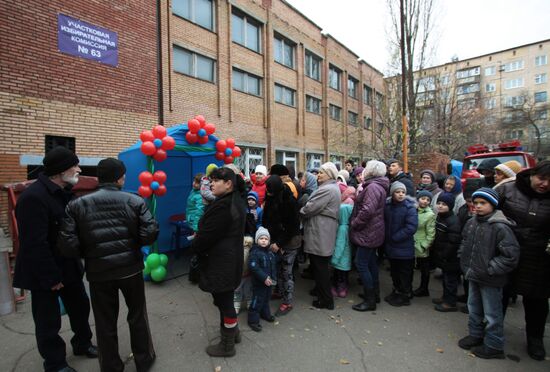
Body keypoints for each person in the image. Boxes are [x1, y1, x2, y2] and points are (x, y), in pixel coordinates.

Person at [59, 158, 158, 372]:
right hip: (130, 269)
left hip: (98, 272)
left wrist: (90, 253)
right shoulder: (134, 201)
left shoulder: (76, 204)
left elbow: (67, 244)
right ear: (120, 177)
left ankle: (111, 366)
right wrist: (134, 243)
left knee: (104, 322)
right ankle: (144, 360)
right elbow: (150, 232)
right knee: (137, 315)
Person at [13, 146, 97, 372]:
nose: (79, 169)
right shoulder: (33, 198)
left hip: (67, 265)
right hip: (44, 271)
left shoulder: (63, 192)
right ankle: (55, 363)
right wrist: (51, 278)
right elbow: (33, 244)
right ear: (61, 171)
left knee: (80, 306)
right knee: (48, 321)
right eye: (75, 166)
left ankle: (82, 344)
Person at [190, 167, 246, 357]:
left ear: (229, 184)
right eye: (210, 180)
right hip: (230, 259)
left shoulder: (223, 206)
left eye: (216, 181)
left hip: (221, 262)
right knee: (226, 300)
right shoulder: (235, 200)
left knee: (224, 302)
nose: (211, 184)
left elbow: (207, 237)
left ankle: (227, 345)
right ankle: (233, 333)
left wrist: (196, 244)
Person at [458, 188, 520, 359]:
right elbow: (464, 242)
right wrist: (463, 260)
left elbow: (510, 256)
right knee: (474, 307)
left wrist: (490, 269)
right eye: (476, 203)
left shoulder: (500, 227)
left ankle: (494, 344)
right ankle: (475, 334)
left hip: (490, 279)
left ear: (493, 205)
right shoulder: (471, 223)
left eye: (483, 203)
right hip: (473, 274)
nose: (477, 206)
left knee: (492, 313)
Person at [498, 160, 550, 360]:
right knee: (499, 293)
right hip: (506, 251)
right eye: (542, 178)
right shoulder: (508, 189)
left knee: (536, 300)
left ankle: (535, 339)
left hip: (539, 257)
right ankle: (492, 330)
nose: (544, 184)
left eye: (549, 181)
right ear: (532, 175)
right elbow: (487, 209)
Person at [350, 160, 389, 311]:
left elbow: (367, 210)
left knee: (362, 264)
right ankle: (374, 294)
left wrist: (355, 223)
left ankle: (370, 300)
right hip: (373, 231)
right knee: (371, 263)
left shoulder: (372, 187)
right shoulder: (378, 185)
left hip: (368, 232)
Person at [301, 162, 341, 310]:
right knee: (319, 265)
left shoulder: (327, 189)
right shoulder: (331, 188)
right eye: (318, 172)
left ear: (330, 175)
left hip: (321, 231)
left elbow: (310, 207)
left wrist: (303, 209)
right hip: (323, 229)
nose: (318, 175)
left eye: (321, 173)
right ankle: (320, 292)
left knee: (320, 267)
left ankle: (325, 300)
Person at [262, 176, 301, 316]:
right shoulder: (272, 197)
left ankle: (287, 302)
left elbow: (292, 227)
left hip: (289, 241)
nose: (268, 191)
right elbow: (267, 219)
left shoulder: (289, 201)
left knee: (286, 272)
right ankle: (279, 291)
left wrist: (279, 244)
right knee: (278, 269)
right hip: (276, 239)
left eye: (270, 189)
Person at [384, 181, 418, 306]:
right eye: (397, 192)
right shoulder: (388, 206)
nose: (401, 194)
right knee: (394, 271)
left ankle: (405, 295)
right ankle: (397, 291)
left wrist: (395, 237)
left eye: (403, 192)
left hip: (404, 247)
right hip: (391, 246)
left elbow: (411, 227)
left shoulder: (410, 208)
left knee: (405, 273)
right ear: (392, 194)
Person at [432, 192, 462, 312]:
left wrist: (444, 254)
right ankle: (445, 297)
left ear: (450, 206)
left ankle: (450, 303)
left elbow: (453, 242)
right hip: (443, 255)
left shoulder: (453, 221)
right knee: (445, 279)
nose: (440, 206)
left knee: (450, 281)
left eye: (444, 204)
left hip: (451, 257)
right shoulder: (440, 216)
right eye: (438, 203)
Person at [247, 227, 277, 332]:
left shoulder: (270, 253)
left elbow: (273, 266)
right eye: (261, 238)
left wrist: (273, 279)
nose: (264, 240)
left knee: (266, 299)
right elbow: (254, 267)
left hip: (269, 283)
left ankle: (265, 314)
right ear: (257, 240)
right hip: (259, 283)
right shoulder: (255, 253)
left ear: (269, 241)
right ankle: (253, 320)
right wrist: (264, 277)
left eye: (266, 239)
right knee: (257, 300)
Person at [330, 182, 355, 298]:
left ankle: (339, 288)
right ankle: (343, 287)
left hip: (339, 260)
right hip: (347, 260)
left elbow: (340, 245)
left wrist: (334, 259)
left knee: (339, 276)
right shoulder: (349, 227)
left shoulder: (342, 228)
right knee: (344, 276)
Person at [413, 190, 436, 297]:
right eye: (423, 198)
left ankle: (424, 288)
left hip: (421, 245)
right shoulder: (413, 210)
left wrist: (424, 246)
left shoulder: (430, 214)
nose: (425, 201)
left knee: (424, 269)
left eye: (428, 200)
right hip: (412, 243)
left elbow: (431, 233)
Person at [234, 236, 254, 314]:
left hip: (248, 274)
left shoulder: (251, 250)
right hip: (239, 274)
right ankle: (236, 305)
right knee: (237, 290)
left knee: (248, 289)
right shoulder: (237, 249)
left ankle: (249, 303)